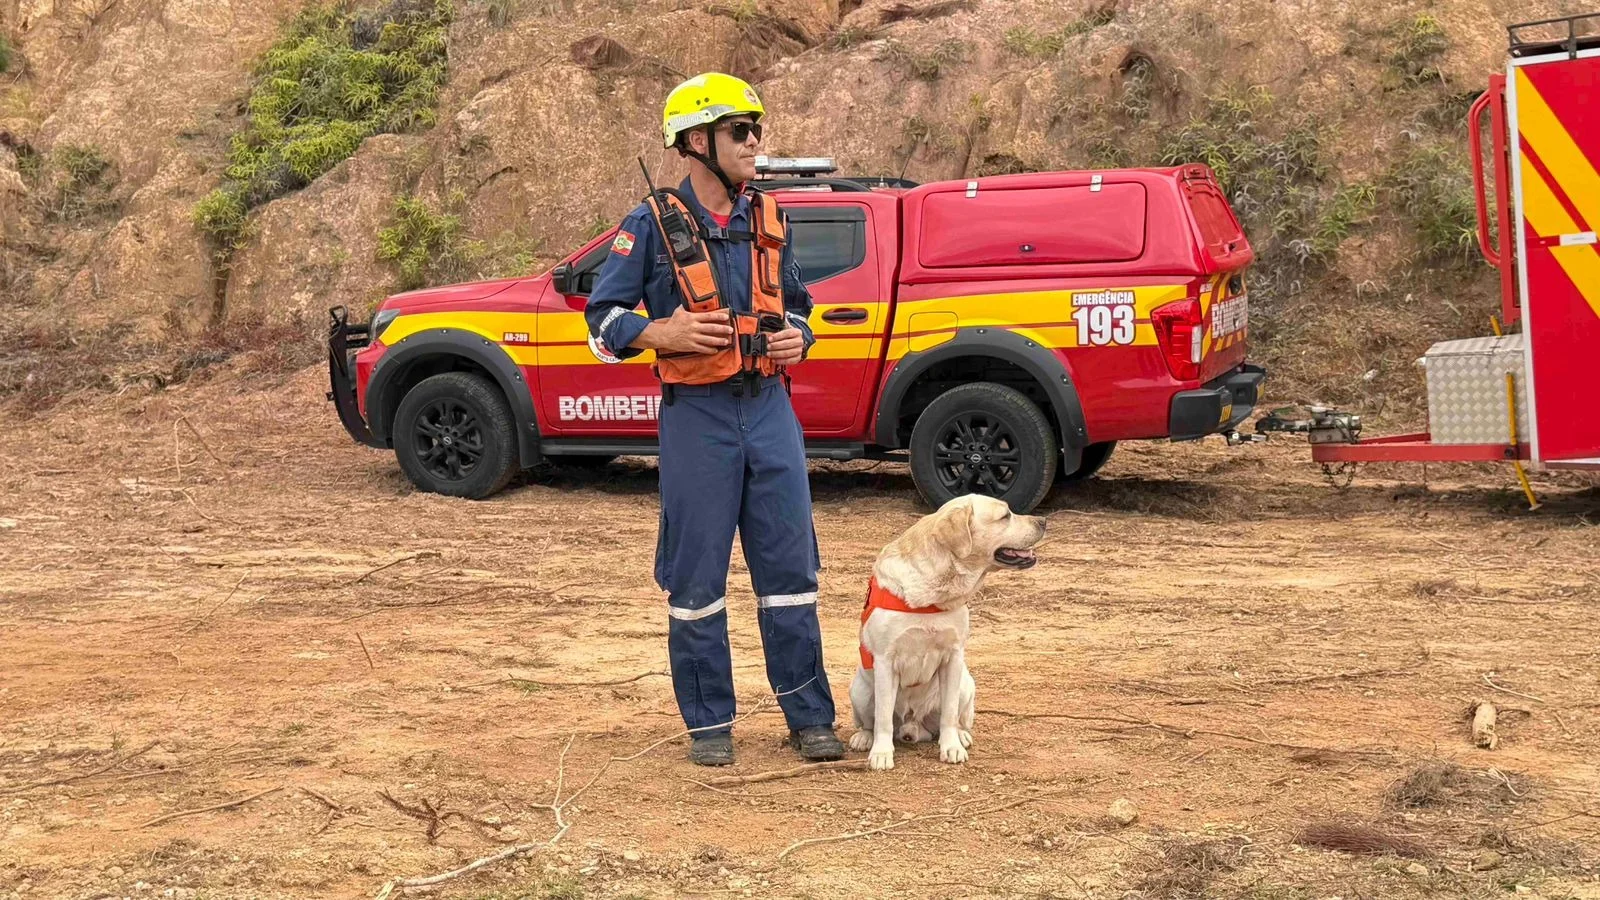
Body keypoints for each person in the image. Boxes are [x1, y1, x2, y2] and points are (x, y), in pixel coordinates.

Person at [582, 72, 845, 767]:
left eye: (756, 128)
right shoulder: (648, 224)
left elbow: (797, 306)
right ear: (697, 142)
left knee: (791, 571)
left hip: (770, 411)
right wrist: (657, 334)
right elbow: (601, 322)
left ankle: (810, 718)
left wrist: (798, 336)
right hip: (697, 418)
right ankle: (709, 724)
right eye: (740, 130)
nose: (754, 141)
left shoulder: (768, 218)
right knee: (696, 579)